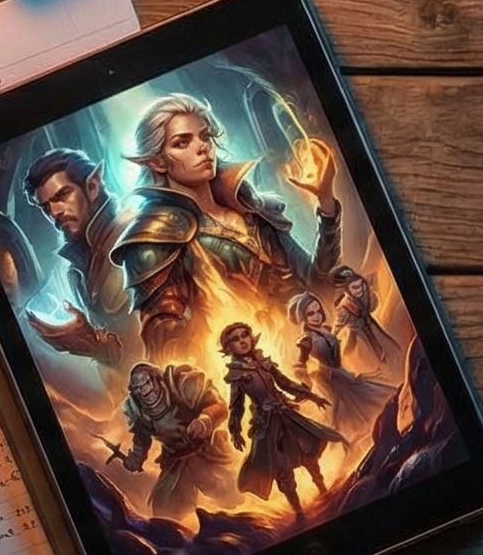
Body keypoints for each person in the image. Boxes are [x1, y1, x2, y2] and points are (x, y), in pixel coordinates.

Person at [109, 94, 349, 359]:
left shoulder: (255, 210)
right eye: (181, 142)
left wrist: (326, 202)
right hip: (255, 368)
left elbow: (318, 282)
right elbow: (169, 349)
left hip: (316, 350)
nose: (202, 148)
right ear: (157, 161)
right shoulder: (154, 241)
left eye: (205, 136)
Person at [219, 321, 342, 517]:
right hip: (266, 426)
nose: (242, 341)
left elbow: (284, 383)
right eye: (235, 339)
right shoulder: (237, 376)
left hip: (285, 414)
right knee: (281, 468)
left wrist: (311, 396)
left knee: (308, 451)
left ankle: (323, 489)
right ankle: (299, 512)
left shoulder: (264, 363)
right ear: (228, 347)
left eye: (244, 335)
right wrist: (235, 430)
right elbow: (236, 406)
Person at [20, 148, 128, 361]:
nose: (54, 212)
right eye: (45, 207)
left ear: (93, 186)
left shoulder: (132, 236)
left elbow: (161, 339)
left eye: (62, 195)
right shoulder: (77, 269)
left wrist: (93, 344)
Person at [113, 361, 231, 514]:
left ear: (157, 379)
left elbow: (219, 407)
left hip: (207, 450)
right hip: (175, 459)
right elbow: (142, 436)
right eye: (138, 389)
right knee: (164, 508)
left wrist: (205, 421)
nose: (144, 392)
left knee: (224, 493)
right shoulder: (137, 409)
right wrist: (136, 457)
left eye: (146, 383)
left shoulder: (181, 385)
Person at [289, 288, 399, 444]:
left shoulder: (326, 330)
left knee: (372, 393)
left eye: (318, 311)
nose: (317, 316)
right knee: (349, 412)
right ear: (302, 317)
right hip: (330, 382)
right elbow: (299, 366)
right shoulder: (306, 340)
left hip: (342, 375)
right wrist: (307, 386)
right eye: (310, 314)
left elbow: (340, 351)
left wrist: (352, 331)